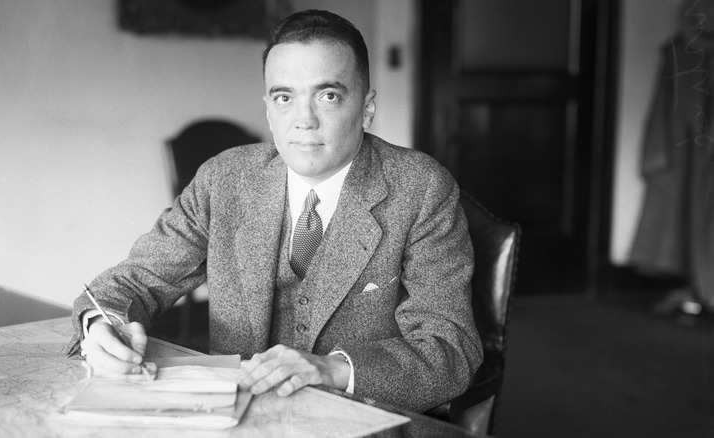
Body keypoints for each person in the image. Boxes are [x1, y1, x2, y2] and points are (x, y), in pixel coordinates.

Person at [67, 9, 482, 412]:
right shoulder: (224, 179)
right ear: (268, 108)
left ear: (367, 108)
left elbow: (449, 348)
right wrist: (101, 327)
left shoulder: (422, 188)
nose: (304, 120)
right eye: (285, 97)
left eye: (329, 95)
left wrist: (332, 368)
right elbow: (133, 282)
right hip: (237, 421)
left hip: (360, 421)